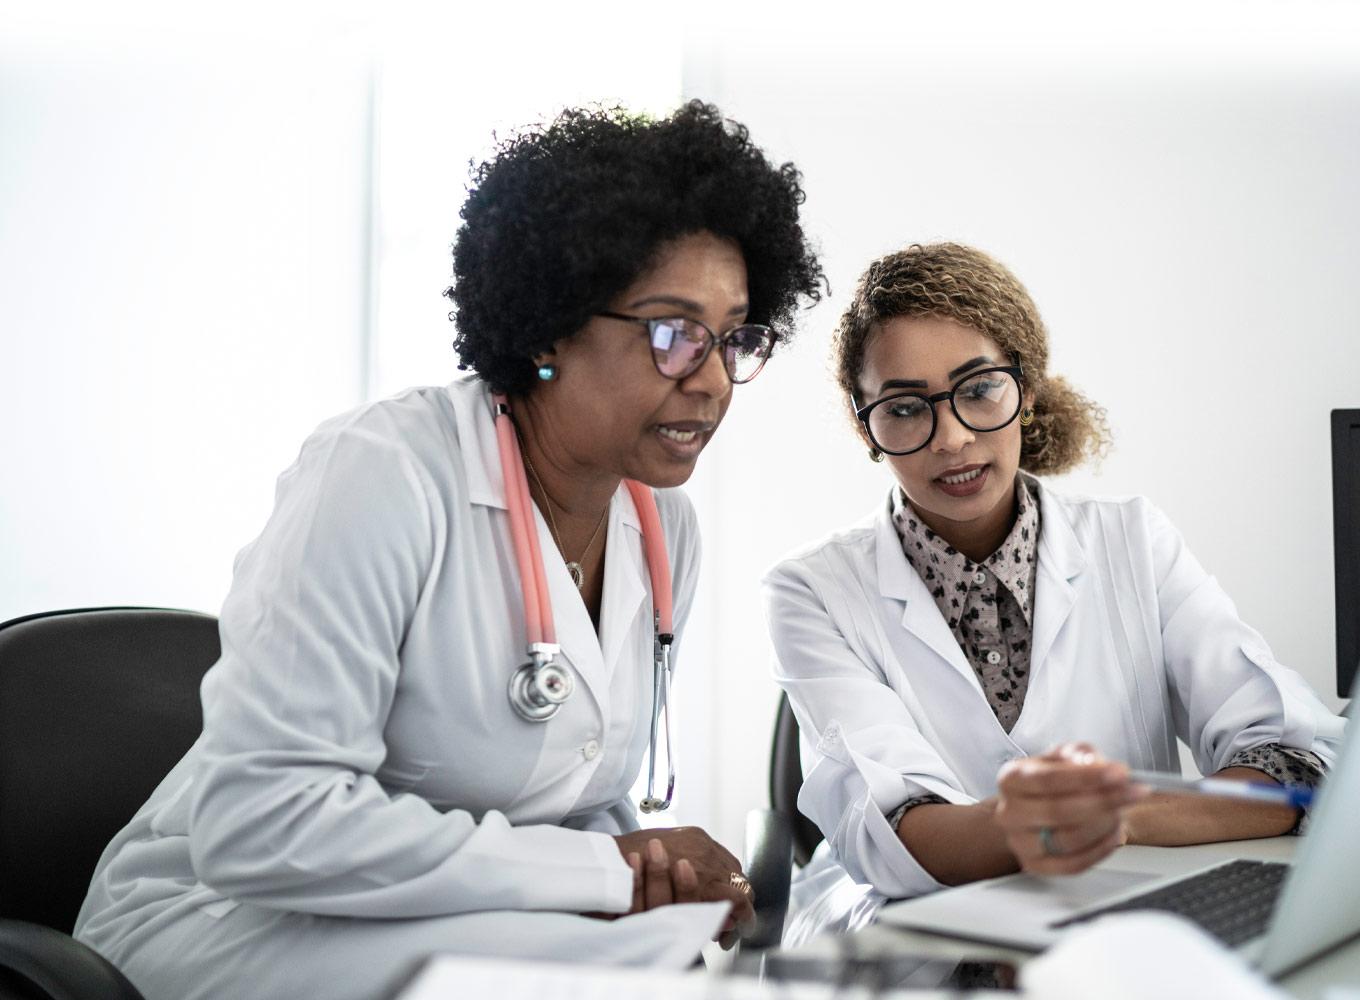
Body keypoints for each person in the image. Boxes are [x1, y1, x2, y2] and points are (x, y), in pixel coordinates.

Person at [75, 102, 824, 1000]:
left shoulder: (663, 529)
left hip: (454, 918)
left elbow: (576, 796)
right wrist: (600, 876)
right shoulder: (384, 474)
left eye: (734, 337)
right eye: (672, 333)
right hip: (223, 919)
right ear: (548, 326)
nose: (709, 378)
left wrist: (650, 872)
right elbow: (263, 826)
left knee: (657, 956)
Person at [762, 242, 1342, 940]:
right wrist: (1060, 824)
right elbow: (889, 832)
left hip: (1119, 929)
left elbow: (1293, 762)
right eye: (907, 407)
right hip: (907, 939)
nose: (950, 438)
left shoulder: (1133, 541)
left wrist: (1118, 819)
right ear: (867, 427)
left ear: (1026, 388)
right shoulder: (810, 589)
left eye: (978, 390)